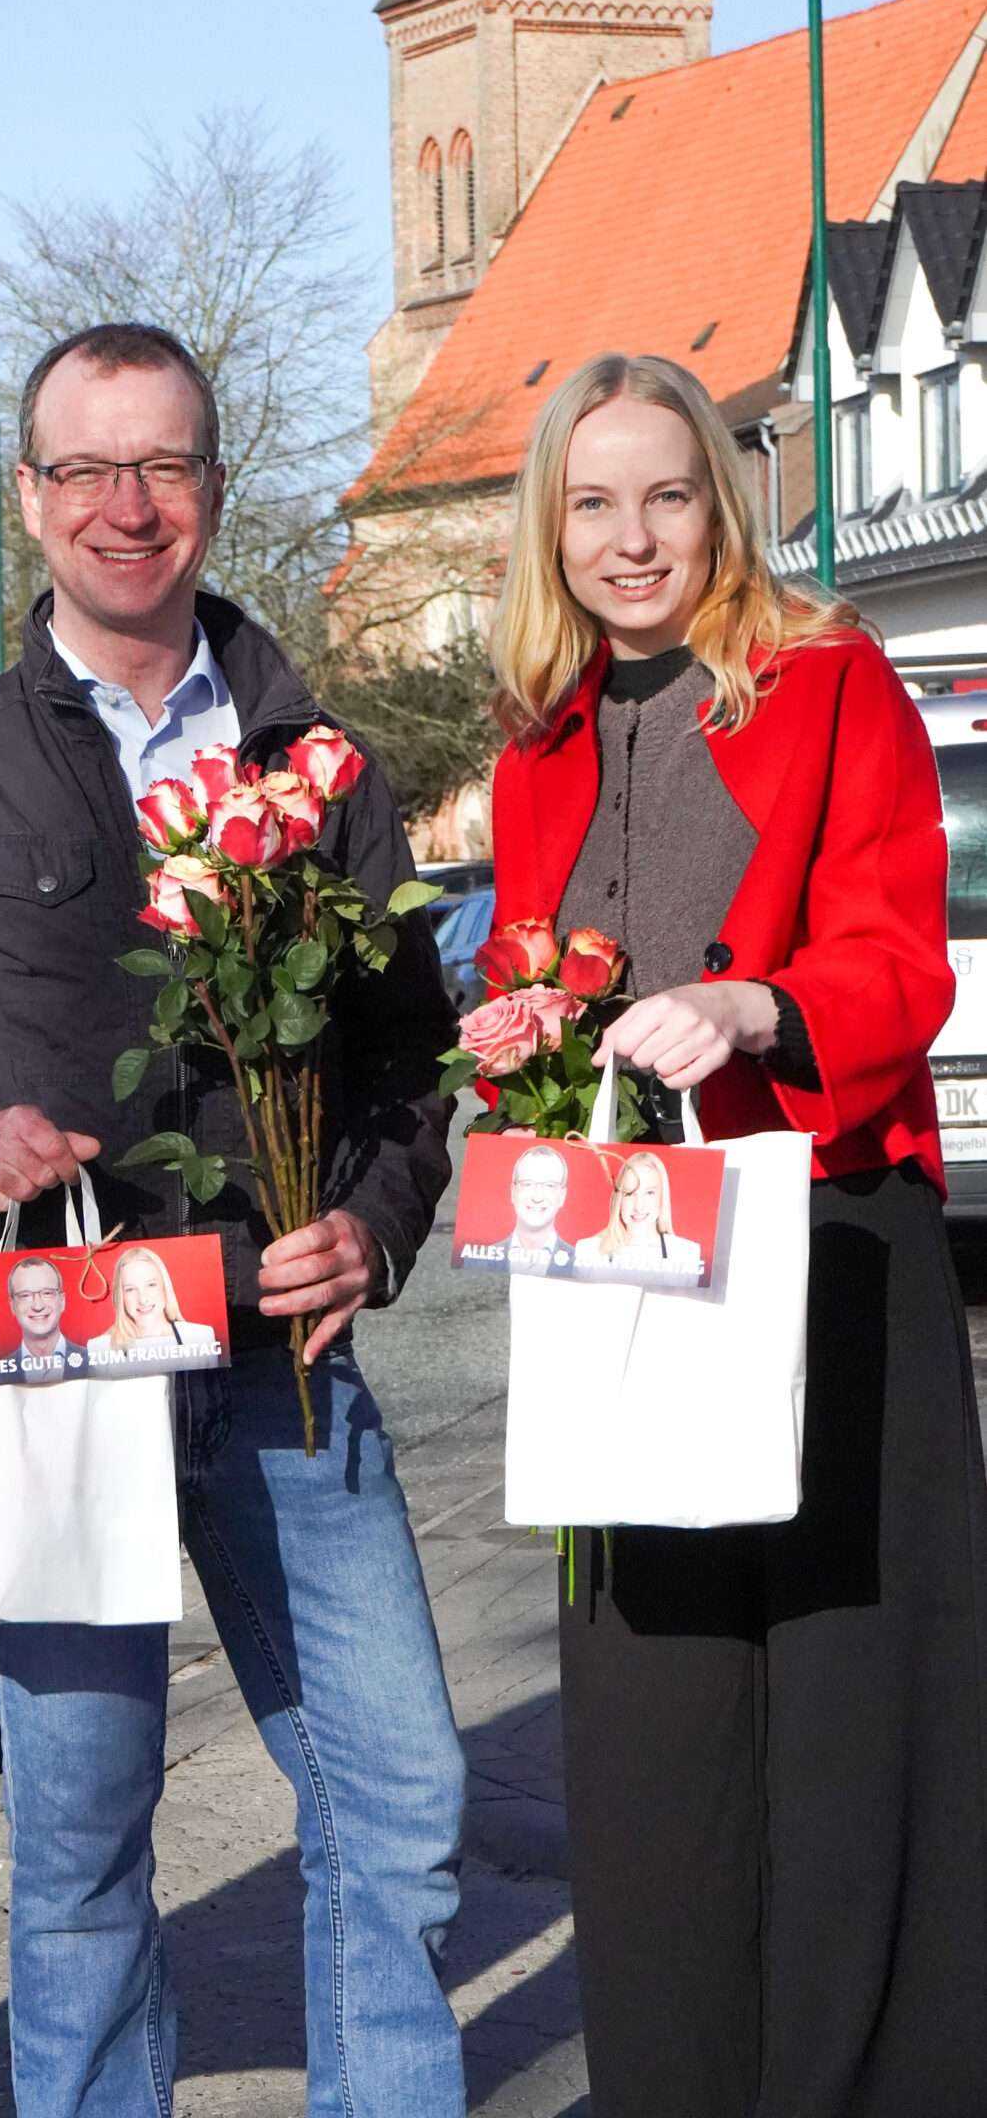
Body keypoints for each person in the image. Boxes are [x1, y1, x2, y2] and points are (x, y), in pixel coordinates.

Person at [0, 322, 467, 2116]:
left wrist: (372, 1221)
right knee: (84, 1848)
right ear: (29, 498)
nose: (130, 507)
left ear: (211, 485)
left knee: (403, 1796)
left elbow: (412, 1051)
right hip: (68, 1360)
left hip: (281, 1359)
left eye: (166, 466)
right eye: (89, 471)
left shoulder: (316, 759)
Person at [486, 349, 987, 2117]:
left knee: (855, 1739)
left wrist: (759, 1008)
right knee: (652, 1743)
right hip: (634, 1263)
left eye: (666, 494)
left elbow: (898, 956)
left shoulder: (827, 678)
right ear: (549, 529)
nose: (632, 539)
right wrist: (520, 1030)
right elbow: (541, 968)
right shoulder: (538, 740)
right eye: (592, 503)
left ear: (723, 495)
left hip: (832, 1239)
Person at [83, 1244, 222, 1371]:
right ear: (121, 1297)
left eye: (151, 1285)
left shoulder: (201, 1337)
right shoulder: (99, 1348)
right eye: (130, 1289)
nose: (143, 1299)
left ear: (164, 1288)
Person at [573, 1151, 702, 1283]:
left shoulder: (687, 1254)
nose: (639, 1206)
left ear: (662, 1197)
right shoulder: (587, 1251)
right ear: (619, 1199)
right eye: (629, 1193)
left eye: (649, 1193)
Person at [460, 1144, 576, 1273]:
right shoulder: (478, 1260)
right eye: (527, 1184)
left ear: (562, 1196)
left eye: (550, 1185)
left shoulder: (581, 1265)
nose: (537, 1197)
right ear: (513, 1191)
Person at [0, 1257, 90, 1383]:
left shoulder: (95, 1363)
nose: (38, 1306)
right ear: (12, 1306)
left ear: (62, 1301)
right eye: (25, 1295)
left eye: (47, 1293)